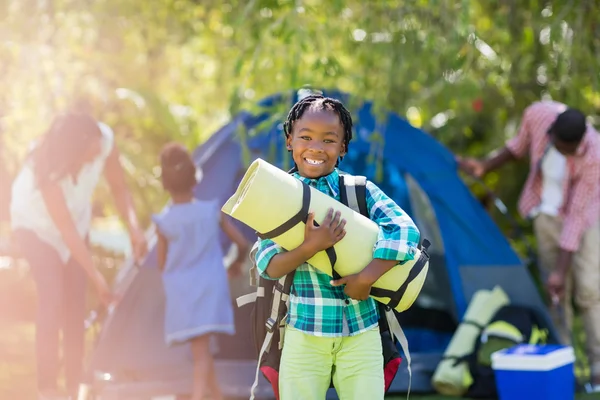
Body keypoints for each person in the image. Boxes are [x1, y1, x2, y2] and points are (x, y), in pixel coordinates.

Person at [253, 94, 421, 400]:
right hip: (303, 332)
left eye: (329, 140)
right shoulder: (277, 197)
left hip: (361, 331)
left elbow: (405, 230)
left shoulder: (358, 191)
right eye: (305, 137)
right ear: (290, 140)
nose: (316, 148)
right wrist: (311, 246)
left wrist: (367, 277)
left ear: (343, 147)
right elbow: (268, 265)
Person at [457, 101, 600, 389]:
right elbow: (517, 147)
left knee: (589, 291)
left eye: (560, 146)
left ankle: (597, 367)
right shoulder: (538, 114)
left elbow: (575, 218)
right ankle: (564, 364)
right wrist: (486, 165)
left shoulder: (594, 155)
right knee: (557, 295)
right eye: (552, 139)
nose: (552, 145)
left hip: (587, 220)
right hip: (545, 214)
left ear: (575, 145)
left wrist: (561, 268)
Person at [10, 112, 147, 400]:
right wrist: (98, 279)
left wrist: (134, 228)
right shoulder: (43, 167)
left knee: (75, 305)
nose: (99, 151)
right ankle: (47, 389)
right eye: (92, 148)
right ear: (74, 148)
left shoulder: (103, 141)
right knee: (51, 292)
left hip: (76, 222)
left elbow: (119, 188)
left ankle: (73, 389)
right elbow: (67, 233)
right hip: (35, 226)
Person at [152, 142, 249, 400]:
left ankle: (198, 397)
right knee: (202, 349)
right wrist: (235, 264)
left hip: (182, 291)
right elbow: (241, 243)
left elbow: (162, 264)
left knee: (200, 350)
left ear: (165, 183)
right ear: (194, 177)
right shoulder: (210, 212)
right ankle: (215, 395)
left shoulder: (164, 222)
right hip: (209, 287)